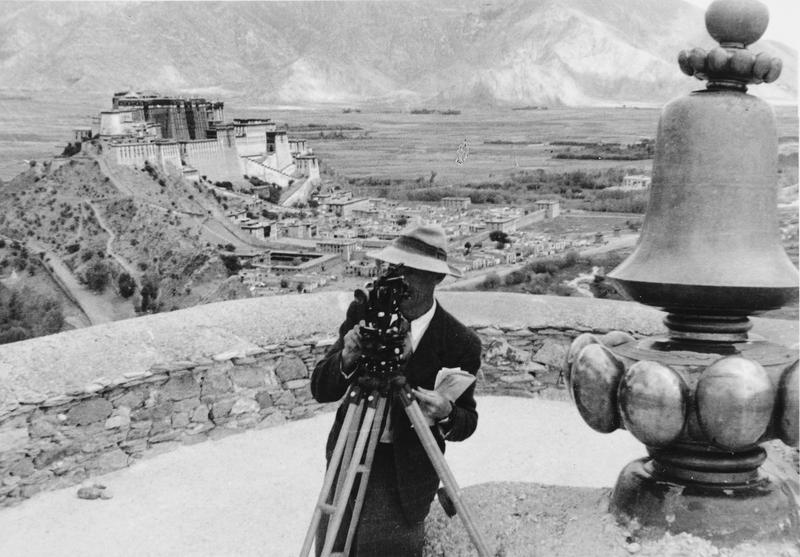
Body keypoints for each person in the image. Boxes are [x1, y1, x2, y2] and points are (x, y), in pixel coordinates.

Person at [311, 224, 482, 557]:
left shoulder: (460, 342)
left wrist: (446, 413)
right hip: (350, 453)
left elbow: (466, 422)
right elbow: (321, 388)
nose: (399, 280)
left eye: (412, 272)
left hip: (405, 470)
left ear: (437, 279)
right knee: (333, 543)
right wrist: (347, 356)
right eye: (394, 269)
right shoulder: (366, 314)